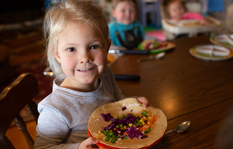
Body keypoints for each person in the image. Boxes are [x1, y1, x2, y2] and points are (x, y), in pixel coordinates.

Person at [34, 0, 150, 148]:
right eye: (71, 49)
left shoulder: (105, 73)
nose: (85, 58)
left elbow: (117, 100)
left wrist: (133, 104)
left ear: (107, 47)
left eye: (93, 46)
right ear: (57, 55)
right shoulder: (55, 109)